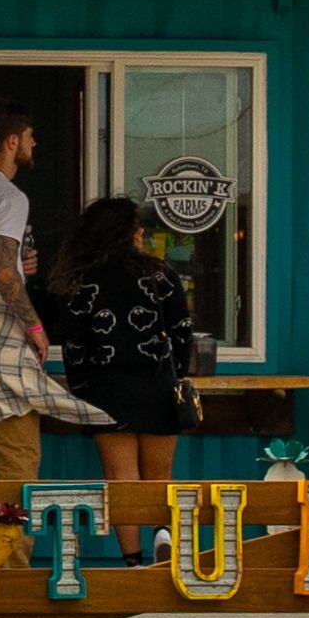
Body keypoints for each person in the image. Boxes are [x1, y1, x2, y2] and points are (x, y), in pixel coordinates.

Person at [0, 106, 104, 487]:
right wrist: (35, 326)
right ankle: (11, 549)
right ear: (12, 142)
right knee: (17, 476)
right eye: (29, 136)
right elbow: (0, 272)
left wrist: (17, 266)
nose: (33, 143)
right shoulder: (9, 196)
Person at [42, 196, 201, 489]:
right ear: (125, 232)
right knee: (160, 477)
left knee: (119, 479)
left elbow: (74, 345)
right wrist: (176, 373)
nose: (141, 233)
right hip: (157, 385)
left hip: (107, 388)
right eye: (137, 226)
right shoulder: (159, 274)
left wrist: (80, 387)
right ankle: (163, 534)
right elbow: (181, 331)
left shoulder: (80, 280)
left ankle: (130, 539)